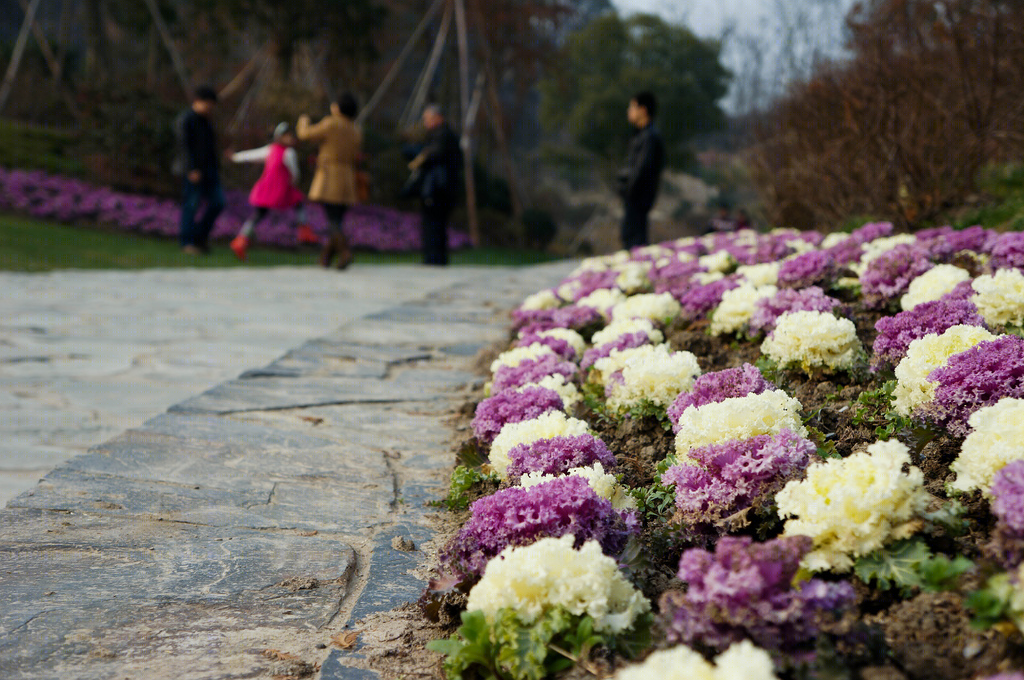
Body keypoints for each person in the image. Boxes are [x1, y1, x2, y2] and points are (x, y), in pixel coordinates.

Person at [227, 123, 315, 262]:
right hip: (281, 189)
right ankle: (305, 232)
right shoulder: (289, 152)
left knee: (259, 214)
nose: (290, 138)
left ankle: (241, 240)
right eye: (287, 136)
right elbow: (295, 173)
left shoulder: (270, 150)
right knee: (299, 202)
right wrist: (293, 183)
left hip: (266, 189)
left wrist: (235, 157)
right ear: (280, 137)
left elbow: (251, 155)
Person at [297, 92, 362, 269]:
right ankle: (325, 258)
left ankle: (345, 252)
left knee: (332, 219)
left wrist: (303, 120)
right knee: (338, 219)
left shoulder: (332, 123)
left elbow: (305, 134)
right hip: (347, 175)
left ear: (338, 107)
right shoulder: (355, 129)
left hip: (330, 174)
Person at [174, 85, 225, 255]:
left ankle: (200, 237)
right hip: (193, 171)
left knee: (218, 202)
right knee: (191, 205)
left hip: (210, 171)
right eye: (208, 103)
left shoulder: (206, 122)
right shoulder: (186, 119)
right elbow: (183, 146)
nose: (210, 107)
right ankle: (187, 242)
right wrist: (191, 168)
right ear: (198, 101)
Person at [408, 104, 461, 266]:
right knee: (436, 223)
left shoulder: (443, 135)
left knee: (434, 222)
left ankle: (434, 258)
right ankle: (435, 257)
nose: (425, 122)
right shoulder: (441, 134)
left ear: (438, 117)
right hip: (443, 186)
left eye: (427, 118)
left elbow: (435, 155)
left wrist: (421, 156)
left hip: (438, 187)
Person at [616, 91, 665, 250]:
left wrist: (627, 188)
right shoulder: (643, 135)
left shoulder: (649, 137)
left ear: (643, 110)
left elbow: (641, 170)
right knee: (630, 238)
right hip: (635, 198)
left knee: (634, 241)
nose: (628, 112)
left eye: (632, 107)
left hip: (637, 198)